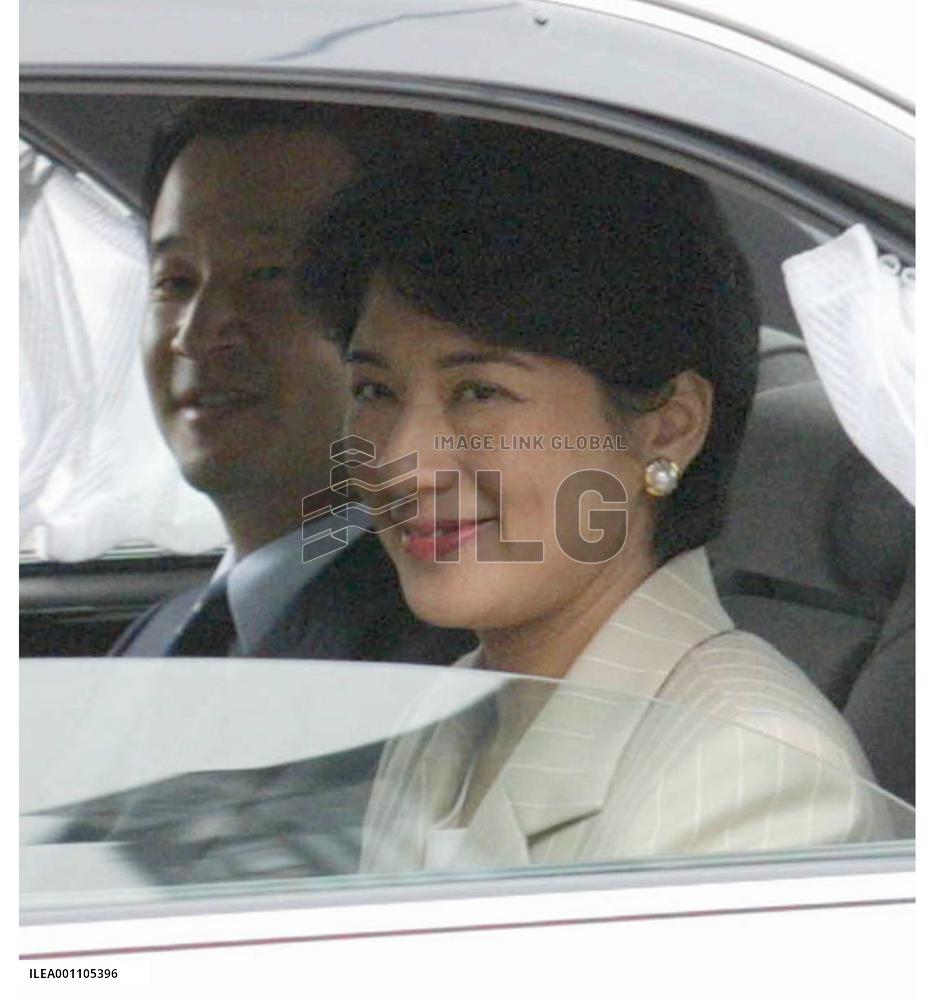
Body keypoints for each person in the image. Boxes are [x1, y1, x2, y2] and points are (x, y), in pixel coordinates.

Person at [298, 123, 890, 873]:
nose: (401, 462)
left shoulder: (754, 776)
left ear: (667, 429)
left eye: (480, 392)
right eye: (375, 390)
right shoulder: (450, 713)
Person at [112, 98, 472, 667]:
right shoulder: (153, 641)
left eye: (270, 274)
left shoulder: (450, 652)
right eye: (174, 281)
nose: (197, 334)